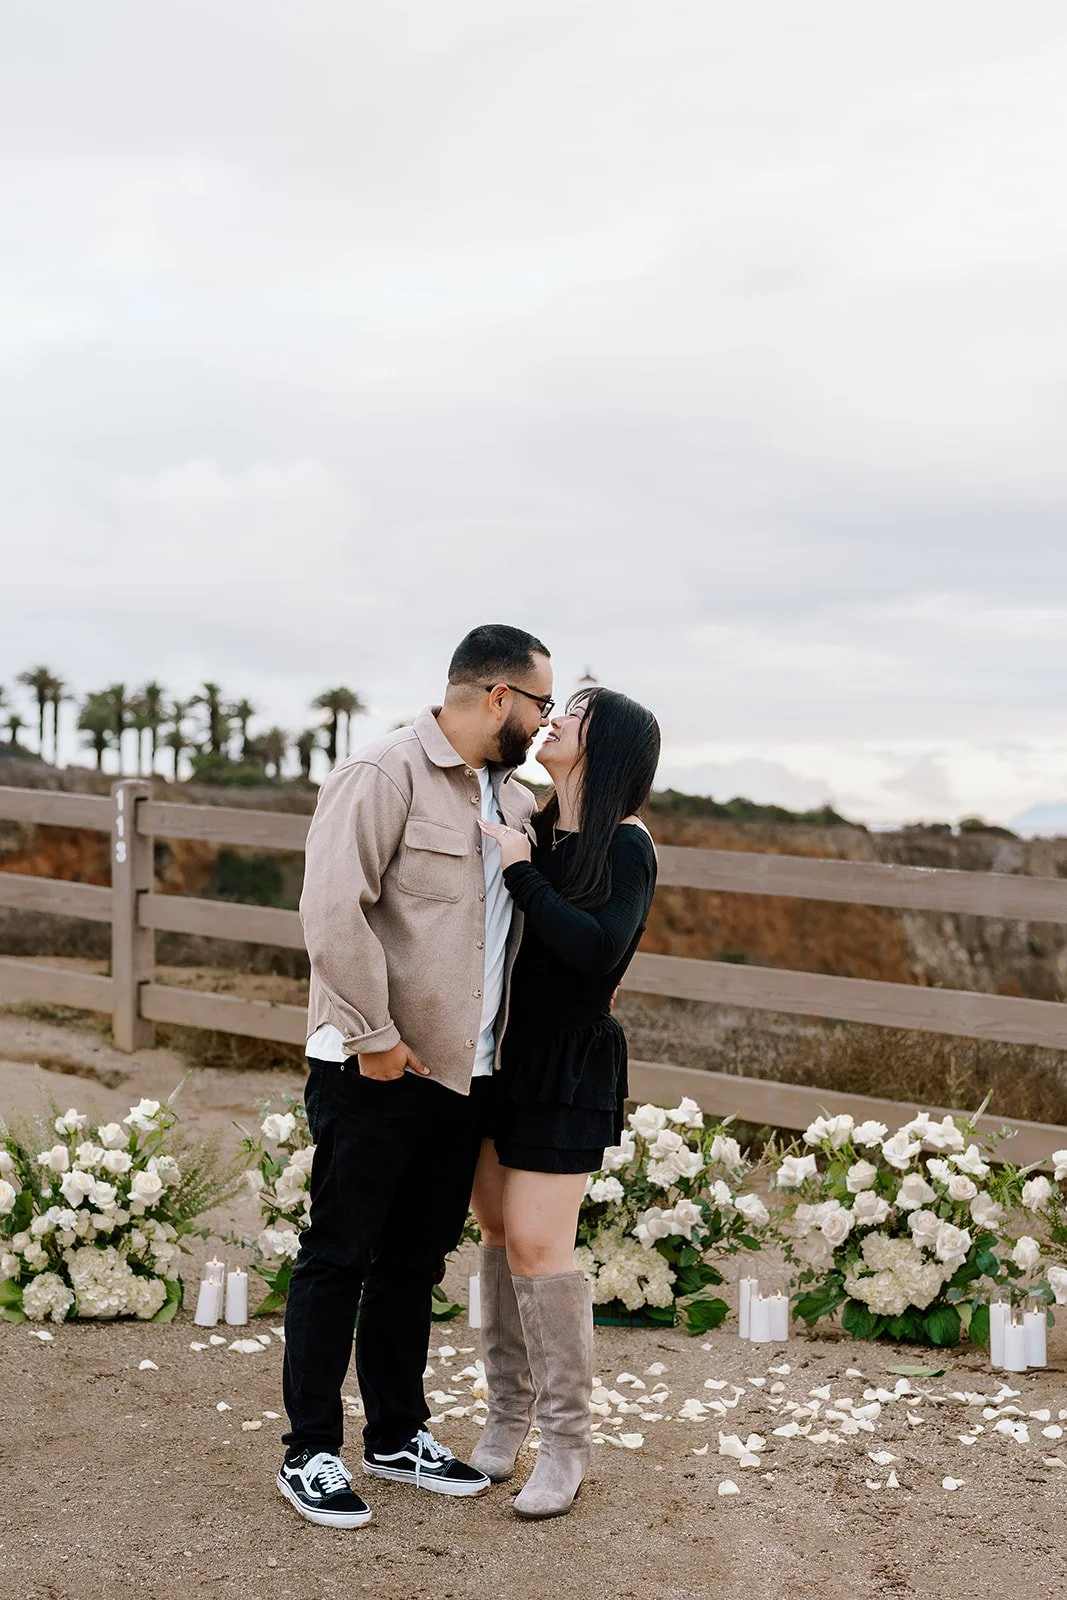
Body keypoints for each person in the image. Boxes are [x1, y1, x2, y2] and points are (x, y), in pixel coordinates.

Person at [277, 623, 554, 1529]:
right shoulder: (383, 771)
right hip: (376, 1065)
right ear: (499, 698)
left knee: (412, 1262)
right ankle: (310, 1450)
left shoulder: (507, 798)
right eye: (542, 704)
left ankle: (396, 1436)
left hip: (462, 1076)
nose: (546, 723)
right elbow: (331, 908)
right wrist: (372, 1036)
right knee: (338, 1256)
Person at [471, 686, 661, 1519]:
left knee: (541, 1250)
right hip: (497, 1055)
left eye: (575, 714)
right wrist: (521, 850)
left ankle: (564, 1443)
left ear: (607, 745)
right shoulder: (532, 824)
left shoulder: (625, 846)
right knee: (498, 1233)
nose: (555, 720)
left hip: (569, 1064)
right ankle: (506, 1413)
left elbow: (594, 953)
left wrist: (517, 869)